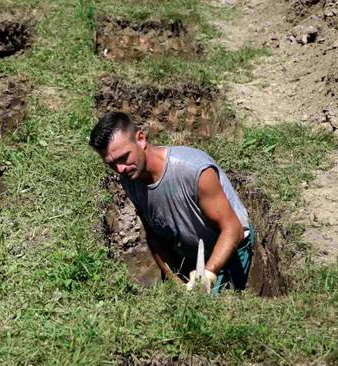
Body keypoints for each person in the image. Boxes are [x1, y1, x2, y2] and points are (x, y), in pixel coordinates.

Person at [89, 111, 253, 293]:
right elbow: (153, 235)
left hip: (228, 250)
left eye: (123, 157)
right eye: (111, 164)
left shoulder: (193, 171)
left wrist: (208, 274)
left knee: (212, 311)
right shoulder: (129, 180)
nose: (119, 168)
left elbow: (233, 229)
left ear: (141, 139)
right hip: (187, 253)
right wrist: (176, 283)